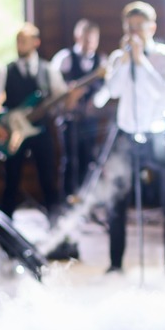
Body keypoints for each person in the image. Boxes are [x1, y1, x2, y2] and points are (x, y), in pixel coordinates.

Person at [93, 1, 165, 272]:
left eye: (139, 27)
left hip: (159, 135)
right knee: (116, 200)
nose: (133, 33)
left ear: (151, 27)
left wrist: (141, 59)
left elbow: (163, 92)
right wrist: (123, 62)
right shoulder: (119, 57)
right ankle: (116, 262)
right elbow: (112, 91)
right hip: (126, 135)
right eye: (129, 27)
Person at [0, 22, 76, 220]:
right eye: (18, 41)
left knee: (48, 179)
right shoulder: (6, 71)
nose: (20, 45)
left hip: (40, 131)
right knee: (11, 181)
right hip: (13, 133)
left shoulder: (48, 71)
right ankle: (5, 229)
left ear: (36, 42)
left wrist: (70, 97)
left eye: (24, 41)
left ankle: (56, 228)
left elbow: (61, 101)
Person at [51, 18, 108, 202]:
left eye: (93, 39)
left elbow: (107, 88)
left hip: (90, 120)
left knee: (88, 158)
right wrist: (68, 96)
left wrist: (96, 101)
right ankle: (66, 200)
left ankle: (84, 200)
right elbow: (52, 87)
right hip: (68, 118)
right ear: (78, 37)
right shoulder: (64, 58)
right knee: (70, 160)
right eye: (86, 38)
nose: (90, 43)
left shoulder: (102, 61)